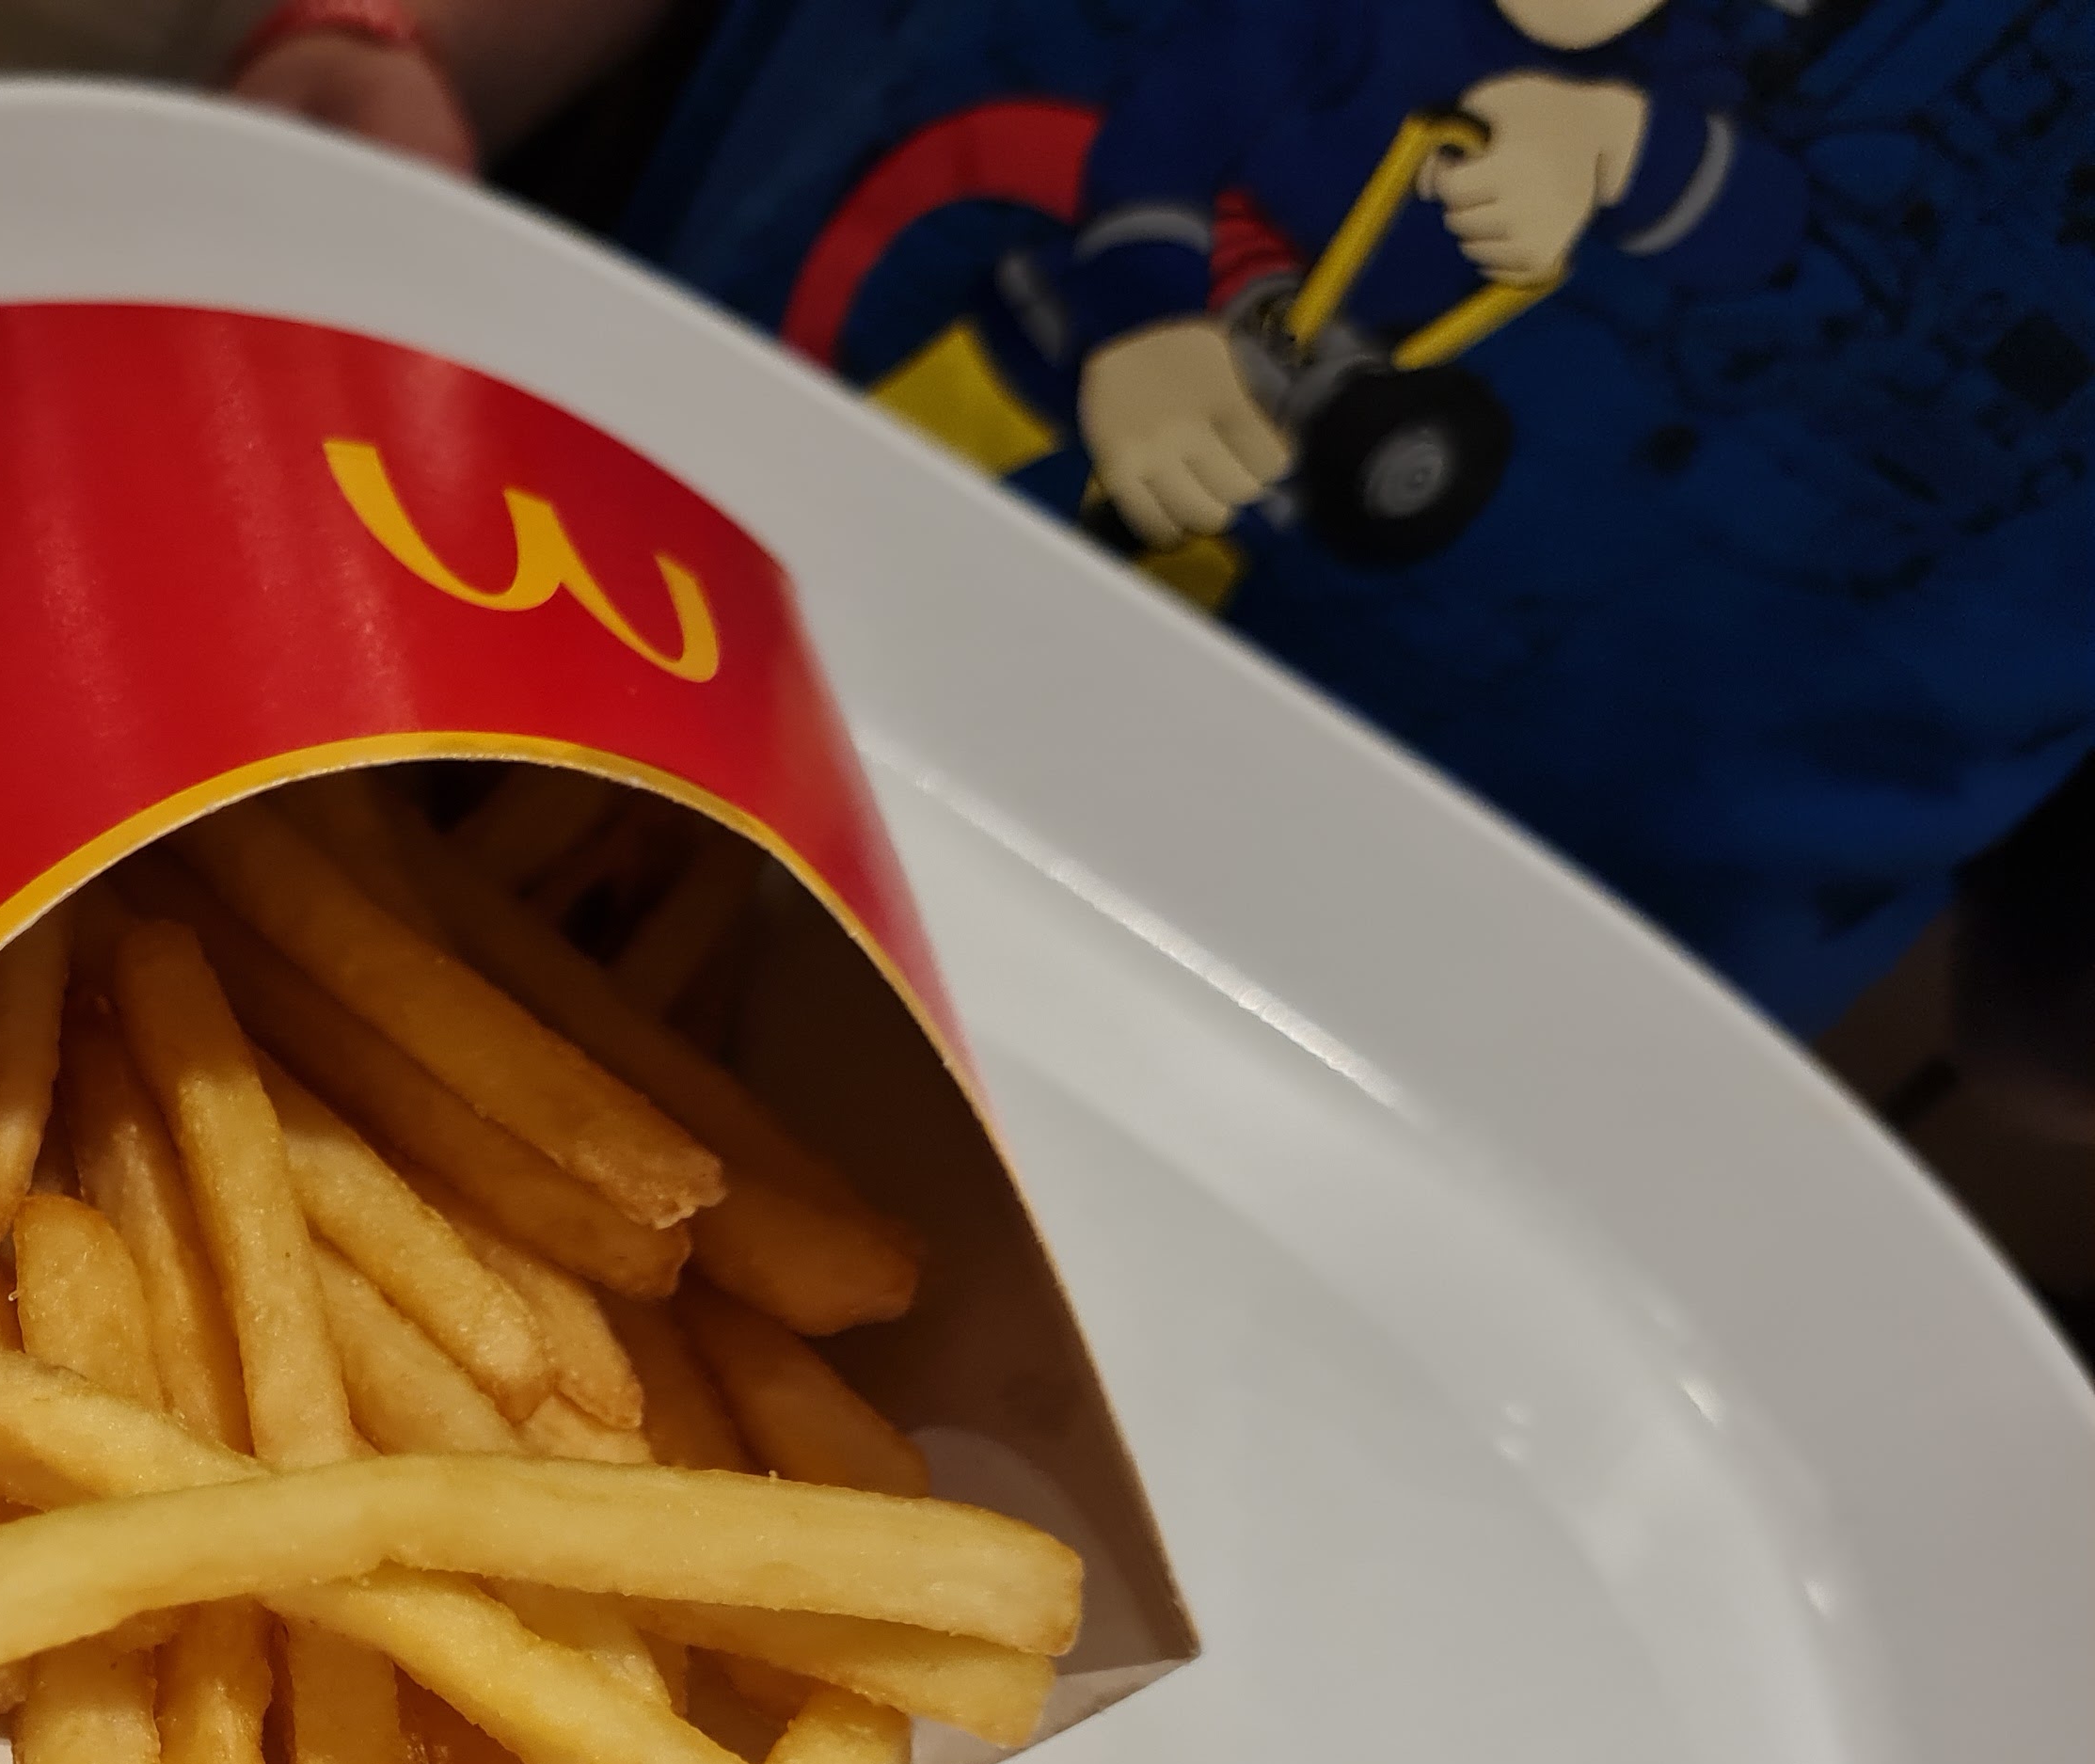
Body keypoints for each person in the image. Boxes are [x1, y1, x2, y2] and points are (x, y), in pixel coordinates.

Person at [229, 0, 2095, 1045]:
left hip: (1394, 1180)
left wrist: (1622, 154)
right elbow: (1164, 153)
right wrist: (400, 35)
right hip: (521, 660)